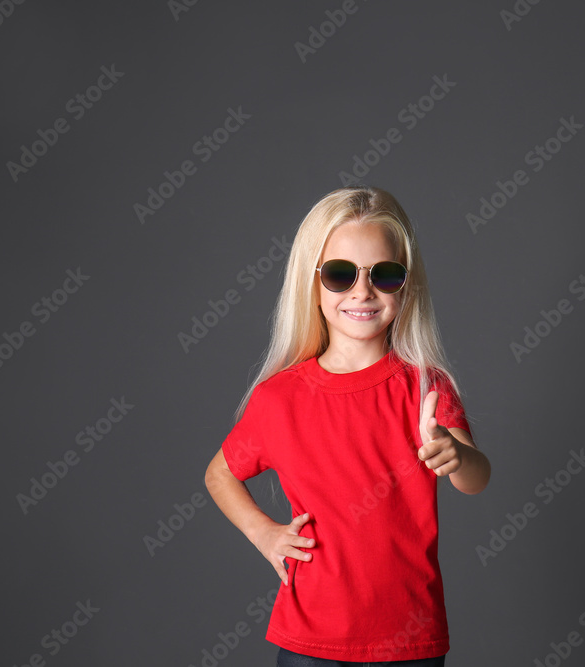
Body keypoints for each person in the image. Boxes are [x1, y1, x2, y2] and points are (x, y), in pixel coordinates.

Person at [204, 186, 491, 666]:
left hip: (409, 638)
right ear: (312, 285)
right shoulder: (280, 398)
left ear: (407, 283)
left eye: (385, 274)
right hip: (310, 641)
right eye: (340, 274)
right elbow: (219, 474)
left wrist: (456, 455)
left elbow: (476, 480)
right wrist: (265, 534)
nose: (363, 291)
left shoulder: (425, 386)